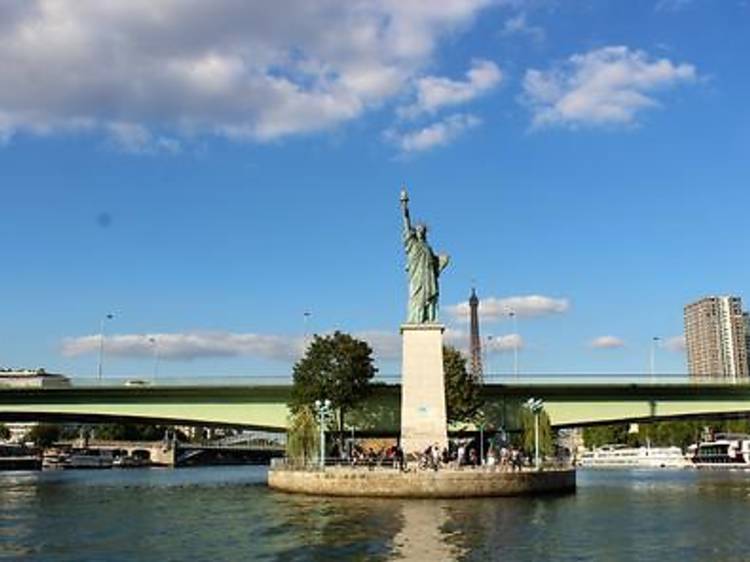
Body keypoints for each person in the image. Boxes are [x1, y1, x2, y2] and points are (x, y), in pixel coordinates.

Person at [400, 188, 450, 323]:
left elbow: (436, 263)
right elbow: (406, 224)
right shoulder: (412, 244)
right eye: (418, 229)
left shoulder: (428, 247)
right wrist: (404, 206)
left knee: (430, 297)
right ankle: (417, 319)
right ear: (414, 232)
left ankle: (429, 318)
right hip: (417, 276)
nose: (420, 231)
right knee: (417, 297)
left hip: (428, 276)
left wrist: (443, 260)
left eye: (422, 230)